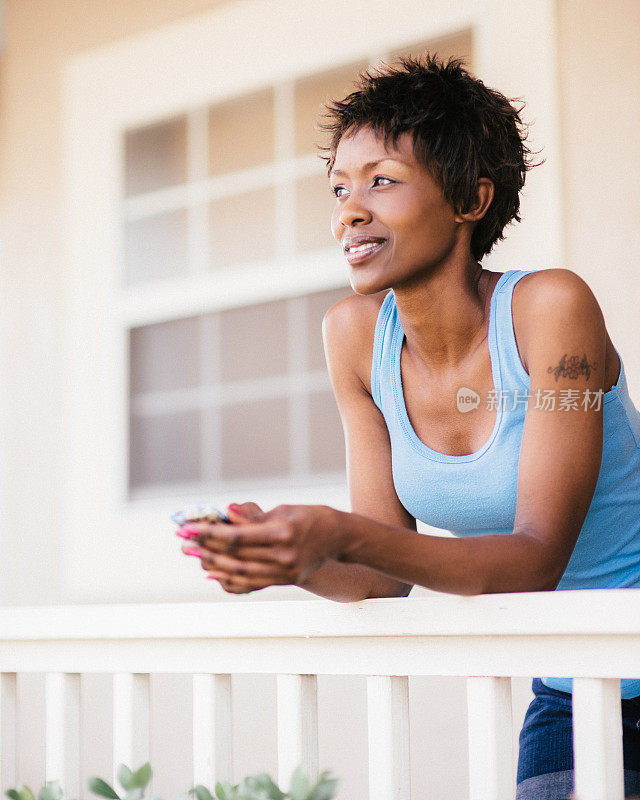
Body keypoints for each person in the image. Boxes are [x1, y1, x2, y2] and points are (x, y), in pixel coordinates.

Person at [176, 56, 640, 798]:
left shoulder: (552, 309)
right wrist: (290, 559)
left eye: (381, 181)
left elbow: (535, 562)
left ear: (470, 197)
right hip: (573, 685)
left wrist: (339, 532)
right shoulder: (355, 338)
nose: (348, 211)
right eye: (339, 188)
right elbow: (385, 578)